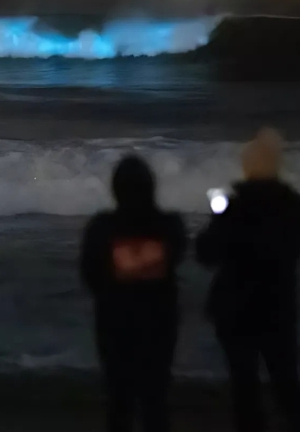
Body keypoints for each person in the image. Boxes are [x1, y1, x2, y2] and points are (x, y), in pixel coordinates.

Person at [196, 128, 300, 432]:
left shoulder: (233, 203)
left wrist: (217, 217)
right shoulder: (294, 205)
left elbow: (207, 253)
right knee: (286, 384)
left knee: (244, 388)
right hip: (278, 306)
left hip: (235, 308)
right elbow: (299, 244)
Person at [80, 155, 187, 432]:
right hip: (159, 325)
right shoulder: (169, 226)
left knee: (118, 403)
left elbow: (89, 275)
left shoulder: (101, 229)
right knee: (156, 402)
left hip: (115, 325)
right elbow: (179, 255)